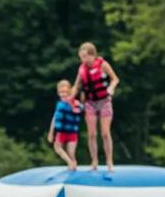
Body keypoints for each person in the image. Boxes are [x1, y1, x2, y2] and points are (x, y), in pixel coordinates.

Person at [72, 42, 119, 172]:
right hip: (90, 103)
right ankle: (94, 161)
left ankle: (109, 161)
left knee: (105, 133)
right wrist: (70, 98)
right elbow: (76, 86)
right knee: (92, 134)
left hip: (104, 101)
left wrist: (111, 88)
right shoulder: (81, 69)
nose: (83, 60)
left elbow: (115, 79)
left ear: (93, 55)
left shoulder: (103, 64)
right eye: (81, 57)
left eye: (85, 57)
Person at [47, 80, 82, 171]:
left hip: (72, 133)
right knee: (57, 147)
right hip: (61, 132)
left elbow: (79, 108)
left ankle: (72, 165)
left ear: (70, 92)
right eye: (61, 92)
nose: (64, 94)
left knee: (71, 153)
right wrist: (51, 132)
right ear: (58, 93)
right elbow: (55, 118)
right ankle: (70, 163)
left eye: (66, 92)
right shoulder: (60, 105)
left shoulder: (73, 102)